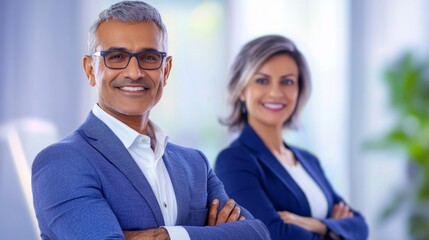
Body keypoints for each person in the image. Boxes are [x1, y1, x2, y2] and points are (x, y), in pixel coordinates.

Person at [31, 2, 271, 240]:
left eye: (148, 57)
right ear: (91, 70)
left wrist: (166, 236)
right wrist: (210, 234)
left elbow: (257, 234)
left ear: (165, 70)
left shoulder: (195, 165)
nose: (134, 72)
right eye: (116, 56)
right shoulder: (61, 163)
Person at [214, 35, 369, 240]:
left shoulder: (308, 160)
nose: (276, 92)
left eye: (287, 82)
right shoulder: (234, 160)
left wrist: (315, 225)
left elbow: (360, 226)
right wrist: (335, 230)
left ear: (299, 90)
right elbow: (271, 235)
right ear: (241, 89)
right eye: (262, 80)